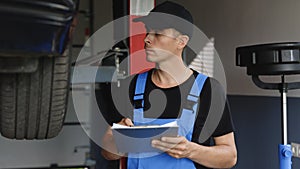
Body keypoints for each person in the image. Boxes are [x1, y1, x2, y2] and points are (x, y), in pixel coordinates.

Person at [101, 1, 237, 169]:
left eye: (157, 33)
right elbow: (108, 153)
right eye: (147, 32)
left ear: (181, 42)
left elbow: (229, 157)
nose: (147, 39)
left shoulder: (209, 90)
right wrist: (119, 140)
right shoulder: (130, 86)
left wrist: (190, 151)